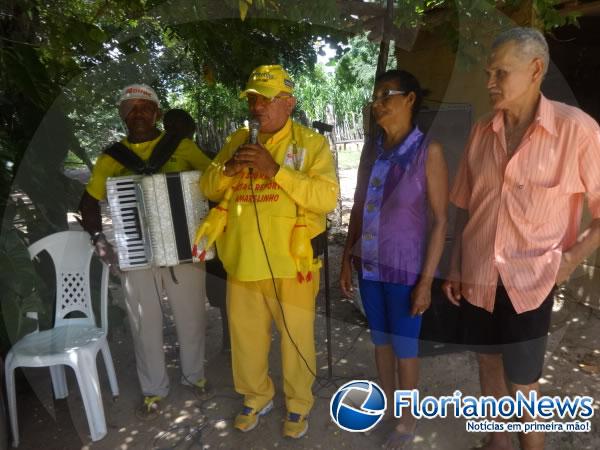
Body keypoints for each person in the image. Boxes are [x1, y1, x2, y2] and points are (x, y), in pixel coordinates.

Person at [442, 27, 600, 450]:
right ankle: (496, 441)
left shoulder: (577, 132)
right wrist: (456, 265)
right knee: (487, 360)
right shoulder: (481, 131)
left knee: (524, 375)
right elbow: (464, 204)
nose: (489, 82)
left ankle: (531, 445)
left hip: (530, 280)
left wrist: (568, 262)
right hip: (477, 272)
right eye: (489, 72)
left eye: (500, 73)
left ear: (535, 70)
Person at [200, 64, 339, 439]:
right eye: (252, 99)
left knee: (296, 340)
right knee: (246, 337)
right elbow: (208, 187)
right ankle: (255, 395)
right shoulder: (238, 140)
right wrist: (230, 166)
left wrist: (274, 170)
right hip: (243, 260)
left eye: (265, 99)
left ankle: (298, 405)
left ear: (288, 102)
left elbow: (326, 197)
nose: (256, 107)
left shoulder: (311, 144)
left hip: (293, 264)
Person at [78, 84, 212, 417]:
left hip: (185, 248)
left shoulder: (182, 147)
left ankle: (194, 376)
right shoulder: (112, 157)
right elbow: (89, 201)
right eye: (130, 108)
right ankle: (154, 389)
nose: (138, 114)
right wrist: (98, 237)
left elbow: (214, 182)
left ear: (157, 113)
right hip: (135, 250)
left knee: (191, 316)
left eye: (144, 107)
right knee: (144, 323)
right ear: (123, 115)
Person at [340, 69, 448, 449]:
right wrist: (345, 259)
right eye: (375, 96)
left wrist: (425, 283)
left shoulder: (426, 151)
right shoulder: (374, 151)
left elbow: (440, 221)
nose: (378, 103)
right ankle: (389, 411)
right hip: (369, 268)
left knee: (405, 350)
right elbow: (357, 207)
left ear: (410, 100)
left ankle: (407, 422)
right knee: (381, 344)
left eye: (387, 95)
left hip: (406, 273)